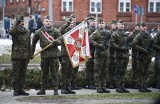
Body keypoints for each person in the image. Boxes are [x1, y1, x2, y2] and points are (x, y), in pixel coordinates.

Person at [31, 15, 61, 95]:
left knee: (54, 73)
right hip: (44, 56)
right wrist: (32, 53)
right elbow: (33, 42)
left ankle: (55, 90)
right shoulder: (40, 32)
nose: (48, 23)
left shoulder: (56, 31)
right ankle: (43, 89)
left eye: (50, 21)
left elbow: (61, 41)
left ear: (51, 22)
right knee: (44, 74)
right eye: (47, 21)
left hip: (54, 56)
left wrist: (56, 42)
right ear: (44, 22)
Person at [9, 15, 30, 96]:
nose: (22, 23)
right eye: (20, 21)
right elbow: (10, 32)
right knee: (16, 73)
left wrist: (30, 54)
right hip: (16, 56)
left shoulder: (27, 32)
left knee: (23, 74)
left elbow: (29, 44)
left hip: (25, 55)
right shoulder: (15, 31)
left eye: (22, 21)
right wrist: (16, 22)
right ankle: (15, 90)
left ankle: (21, 89)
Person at [90, 19, 110, 93]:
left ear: (104, 24)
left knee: (104, 72)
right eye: (100, 23)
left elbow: (111, 41)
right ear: (98, 24)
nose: (101, 24)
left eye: (103, 23)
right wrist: (98, 45)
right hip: (98, 56)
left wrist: (108, 44)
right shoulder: (95, 33)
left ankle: (103, 87)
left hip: (106, 55)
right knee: (98, 72)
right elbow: (90, 40)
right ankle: (98, 87)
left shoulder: (107, 33)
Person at [59, 14, 77, 94]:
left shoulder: (74, 31)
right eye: (70, 23)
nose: (71, 24)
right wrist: (68, 22)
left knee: (70, 71)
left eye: (72, 23)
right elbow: (60, 30)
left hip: (72, 54)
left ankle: (68, 87)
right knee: (64, 71)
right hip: (65, 54)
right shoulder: (64, 31)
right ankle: (63, 88)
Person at [110, 20, 130, 93]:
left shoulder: (125, 34)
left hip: (125, 55)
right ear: (117, 25)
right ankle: (118, 87)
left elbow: (129, 43)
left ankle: (122, 86)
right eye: (120, 24)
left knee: (123, 72)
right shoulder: (115, 34)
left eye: (123, 24)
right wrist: (120, 47)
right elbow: (112, 43)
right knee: (118, 72)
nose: (122, 25)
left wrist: (128, 46)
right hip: (118, 55)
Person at [132, 22, 152, 92]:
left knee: (145, 72)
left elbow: (151, 44)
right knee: (140, 72)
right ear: (140, 27)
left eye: (145, 26)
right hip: (141, 56)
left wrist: (150, 50)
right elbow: (134, 45)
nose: (144, 27)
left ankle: (144, 85)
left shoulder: (149, 35)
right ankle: (140, 86)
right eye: (143, 26)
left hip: (147, 56)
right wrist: (143, 50)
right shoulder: (138, 36)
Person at [85, 15, 97, 89]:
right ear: (89, 22)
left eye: (94, 21)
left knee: (94, 68)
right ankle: (89, 83)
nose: (93, 22)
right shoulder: (88, 30)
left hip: (96, 52)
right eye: (92, 21)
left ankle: (94, 83)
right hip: (89, 52)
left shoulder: (97, 30)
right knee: (89, 68)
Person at [108, 20, 117, 89]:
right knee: (111, 69)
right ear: (111, 25)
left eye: (116, 24)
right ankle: (110, 83)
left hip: (117, 53)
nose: (115, 26)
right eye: (114, 25)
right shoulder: (108, 33)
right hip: (111, 53)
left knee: (116, 69)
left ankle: (115, 83)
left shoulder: (118, 33)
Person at [131, 23, 140, 89]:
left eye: (139, 27)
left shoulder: (142, 34)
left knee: (139, 69)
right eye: (137, 26)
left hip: (140, 54)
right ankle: (134, 83)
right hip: (134, 54)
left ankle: (139, 83)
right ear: (135, 27)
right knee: (134, 69)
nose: (138, 28)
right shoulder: (132, 34)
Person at [152, 25, 160, 89]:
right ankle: (156, 83)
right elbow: (154, 44)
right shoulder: (157, 35)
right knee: (157, 69)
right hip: (158, 55)